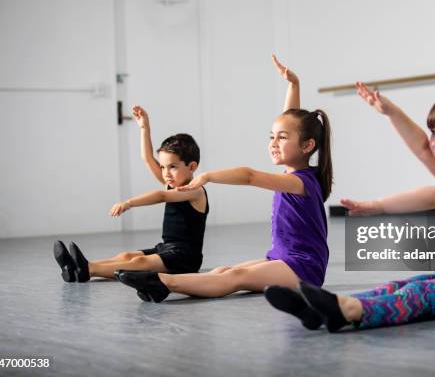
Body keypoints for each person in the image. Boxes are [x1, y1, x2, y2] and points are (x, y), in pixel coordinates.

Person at [265, 80, 435, 332]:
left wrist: (379, 206)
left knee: (418, 294)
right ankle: (322, 308)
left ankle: (351, 311)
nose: (434, 141)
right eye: (434, 131)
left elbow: (434, 197)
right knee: (397, 287)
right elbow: (422, 146)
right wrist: (390, 112)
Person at [115, 55, 333, 303]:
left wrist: (207, 176)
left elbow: (249, 176)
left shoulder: (299, 182)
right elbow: (291, 122)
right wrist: (293, 85)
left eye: (281, 138)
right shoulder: (294, 173)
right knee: (224, 271)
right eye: (271, 136)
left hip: (304, 267)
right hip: (282, 259)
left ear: (307, 146)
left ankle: (163, 282)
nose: (273, 143)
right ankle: (160, 284)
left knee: (236, 276)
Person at [53, 106, 208, 282]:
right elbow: (148, 159)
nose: (166, 173)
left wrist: (129, 202)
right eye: (163, 167)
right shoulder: (171, 183)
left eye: (173, 167)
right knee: (128, 255)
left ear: (192, 167)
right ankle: (77, 265)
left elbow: (161, 196)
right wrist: (144, 128)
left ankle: (88, 270)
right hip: (166, 248)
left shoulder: (195, 191)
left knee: (140, 262)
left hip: (186, 257)